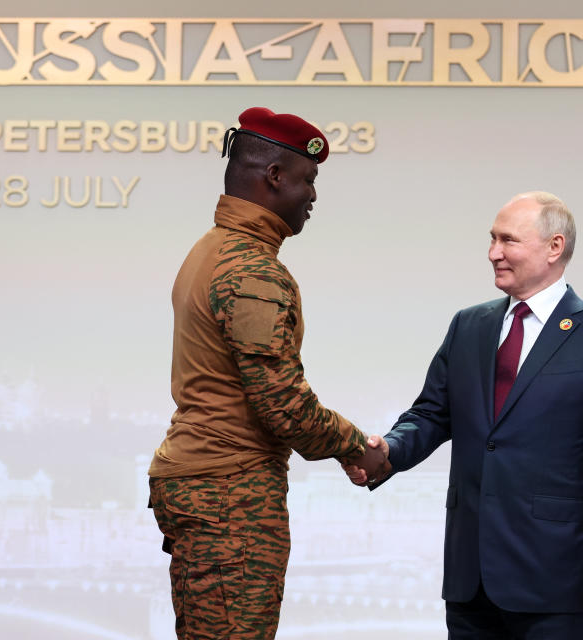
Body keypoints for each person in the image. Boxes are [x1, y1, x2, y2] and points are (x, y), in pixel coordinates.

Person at [347, 192, 583, 639]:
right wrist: (386, 452)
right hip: (471, 577)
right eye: (491, 239)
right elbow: (431, 413)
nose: (493, 253)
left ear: (554, 246)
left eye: (508, 240)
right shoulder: (468, 326)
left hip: (557, 577)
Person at [148, 107, 389, 640]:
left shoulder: (210, 251)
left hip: (203, 485)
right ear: (275, 176)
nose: (313, 195)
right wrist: (356, 445)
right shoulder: (253, 271)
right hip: (229, 496)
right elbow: (284, 407)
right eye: (309, 179)